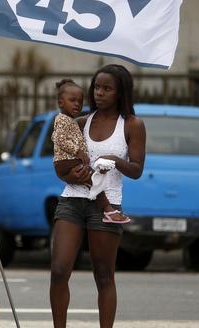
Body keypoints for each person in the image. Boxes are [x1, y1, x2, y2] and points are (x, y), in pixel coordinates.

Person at [49, 64, 146, 328]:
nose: (99, 93)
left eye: (107, 88)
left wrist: (114, 160)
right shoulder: (81, 121)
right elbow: (61, 162)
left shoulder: (132, 125)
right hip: (72, 200)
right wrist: (71, 176)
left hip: (106, 205)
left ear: (120, 92)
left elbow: (137, 170)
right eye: (96, 87)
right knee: (59, 271)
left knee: (103, 275)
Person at [52, 78, 130, 224]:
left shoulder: (71, 120)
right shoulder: (62, 119)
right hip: (67, 162)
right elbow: (58, 138)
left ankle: (105, 207)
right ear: (61, 103)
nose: (77, 104)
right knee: (94, 177)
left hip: (69, 163)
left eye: (80, 101)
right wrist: (78, 152)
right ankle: (108, 209)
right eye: (72, 100)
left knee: (92, 178)